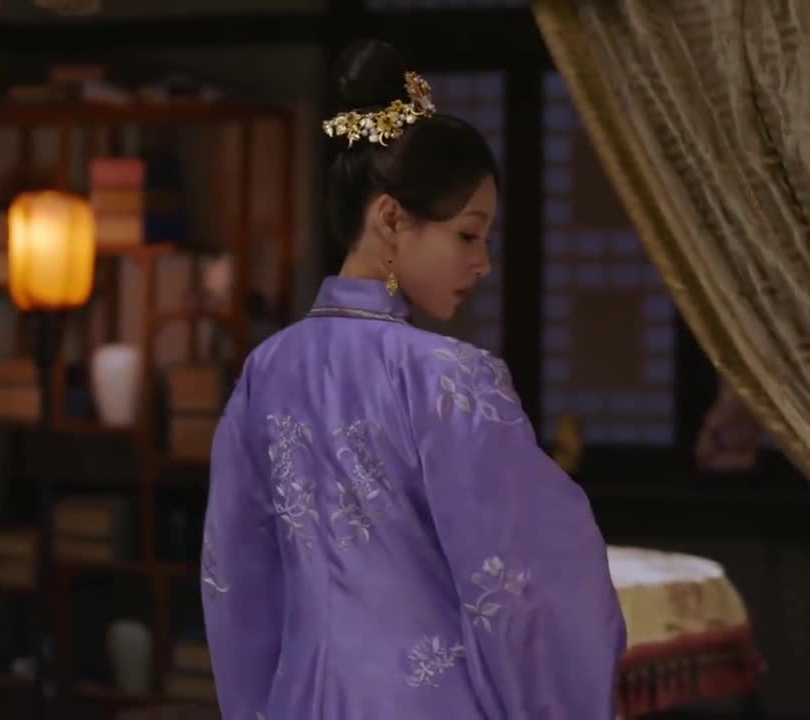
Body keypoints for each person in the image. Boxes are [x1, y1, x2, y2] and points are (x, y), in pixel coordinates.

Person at [201, 39, 627, 719]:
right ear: (391, 218)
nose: (483, 263)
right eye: (468, 235)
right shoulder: (450, 378)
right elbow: (528, 586)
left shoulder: (266, 370)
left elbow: (236, 581)